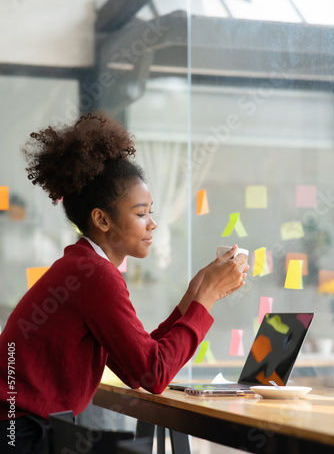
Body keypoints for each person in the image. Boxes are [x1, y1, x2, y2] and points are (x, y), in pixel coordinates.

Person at [0, 112, 249, 453]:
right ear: (102, 219)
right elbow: (153, 374)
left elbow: (138, 369)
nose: (153, 224)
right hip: (19, 432)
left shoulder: (84, 267)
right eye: (141, 213)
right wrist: (206, 299)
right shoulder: (95, 276)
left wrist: (194, 295)